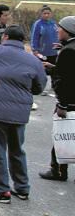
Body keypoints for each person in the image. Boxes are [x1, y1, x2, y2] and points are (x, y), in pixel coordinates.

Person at [0, 25, 46, 202]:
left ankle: (2, 190)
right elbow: (39, 87)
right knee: (17, 150)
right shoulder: (33, 61)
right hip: (19, 113)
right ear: (23, 41)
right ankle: (22, 188)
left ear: (5, 37)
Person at [39, 15, 75, 181]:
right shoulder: (68, 48)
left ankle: (58, 170)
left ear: (67, 31)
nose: (57, 30)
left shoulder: (68, 51)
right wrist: (55, 67)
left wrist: (62, 104)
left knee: (62, 134)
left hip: (68, 102)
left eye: (60, 28)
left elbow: (65, 81)